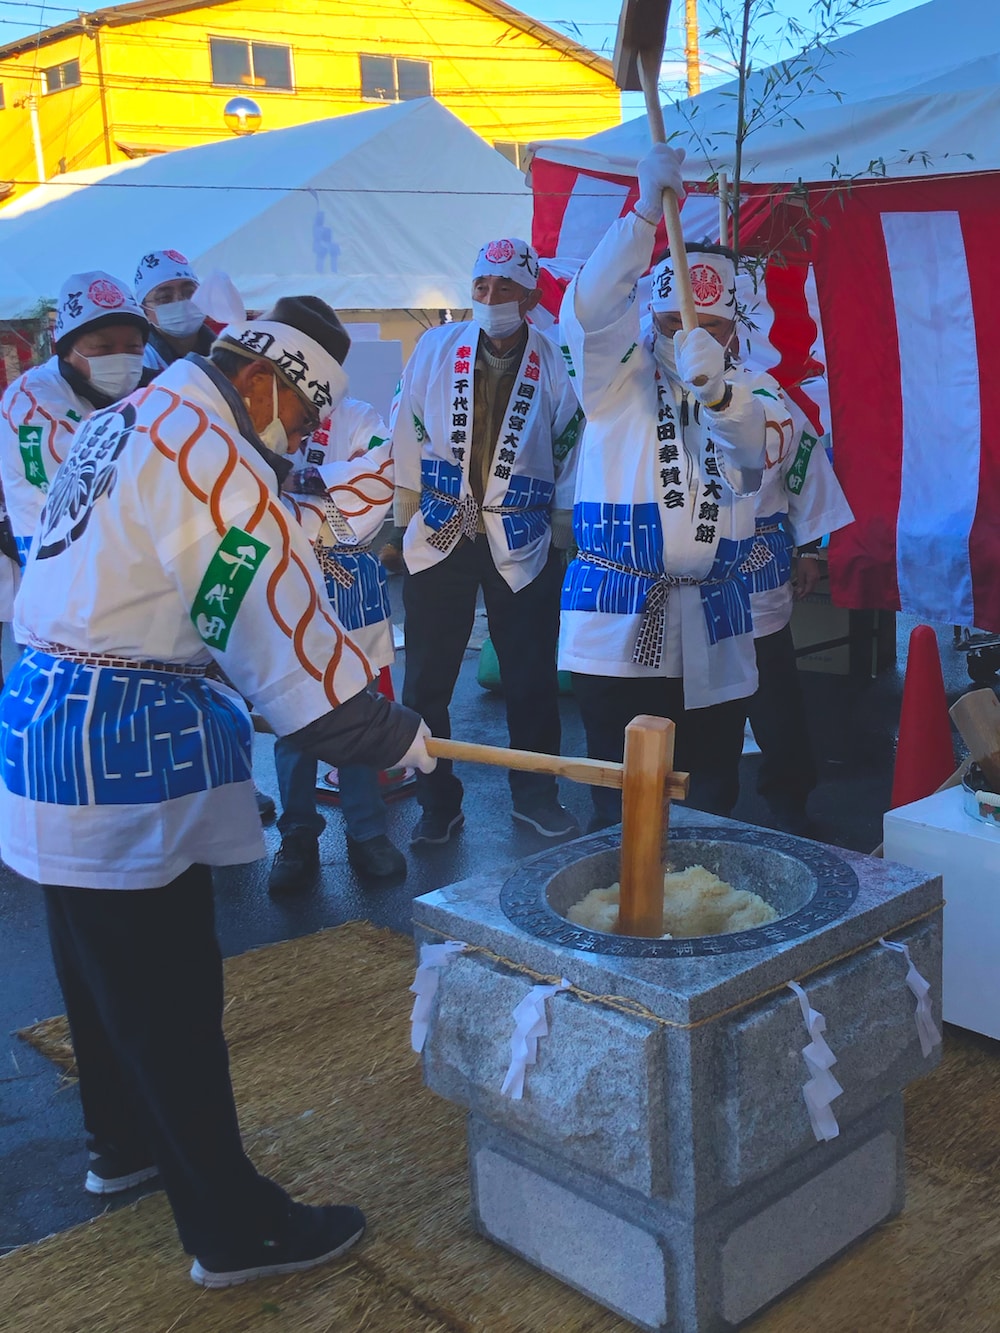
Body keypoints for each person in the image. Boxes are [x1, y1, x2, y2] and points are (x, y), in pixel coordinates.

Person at [0, 295, 434, 1288]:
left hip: (44, 720)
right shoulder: (212, 452)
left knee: (98, 970)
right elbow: (288, 656)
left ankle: (124, 1144)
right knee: (169, 996)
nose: (303, 435)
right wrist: (397, 734)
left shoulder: (130, 417)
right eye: (304, 414)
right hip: (120, 739)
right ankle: (234, 1229)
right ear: (264, 381)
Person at [559, 144, 795, 828]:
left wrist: (721, 393)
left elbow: (749, 458)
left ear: (732, 331)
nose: (685, 335)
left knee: (711, 795)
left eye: (709, 326)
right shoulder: (612, 378)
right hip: (618, 621)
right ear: (653, 318)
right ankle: (621, 926)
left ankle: (697, 925)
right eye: (671, 322)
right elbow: (587, 312)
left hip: (716, 622)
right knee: (623, 799)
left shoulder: (756, 392)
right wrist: (639, 218)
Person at [391, 237, 584, 844]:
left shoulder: (555, 361)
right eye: (482, 286)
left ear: (528, 295)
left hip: (521, 534)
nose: (491, 297)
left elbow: (570, 443)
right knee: (426, 680)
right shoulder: (434, 347)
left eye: (504, 288)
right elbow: (407, 425)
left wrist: (561, 528)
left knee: (529, 677)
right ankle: (436, 801)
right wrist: (401, 515)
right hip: (442, 526)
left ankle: (536, 793)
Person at [272, 394, 405, 887]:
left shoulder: (358, 415)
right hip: (284, 572)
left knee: (357, 709)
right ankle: (297, 835)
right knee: (291, 710)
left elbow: (382, 471)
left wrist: (306, 486)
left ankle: (366, 831)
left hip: (347, 570)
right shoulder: (258, 417)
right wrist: (327, 489)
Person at [742, 410, 854, 834]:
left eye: (718, 336)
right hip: (683, 578)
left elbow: (803, 476)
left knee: (774, 697)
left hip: (757, 573)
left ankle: (788, 802)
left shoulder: (771, 394)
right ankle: (698, 802)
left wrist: (807, 551)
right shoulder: (650, 383)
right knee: (692, 705)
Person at [0, 271, 148, 564]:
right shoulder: (32, 404)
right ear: (67, 351)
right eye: (103, 348)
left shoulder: (134, 389)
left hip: (122, 560)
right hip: (63, 570)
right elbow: (101, 482)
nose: (121, 357)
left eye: (133, 347)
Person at [134, 249, 215, 371]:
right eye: (164, 298)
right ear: (145, 312)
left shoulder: (229, 348)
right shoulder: (140, 363)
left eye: (189, 292)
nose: (180, 301)